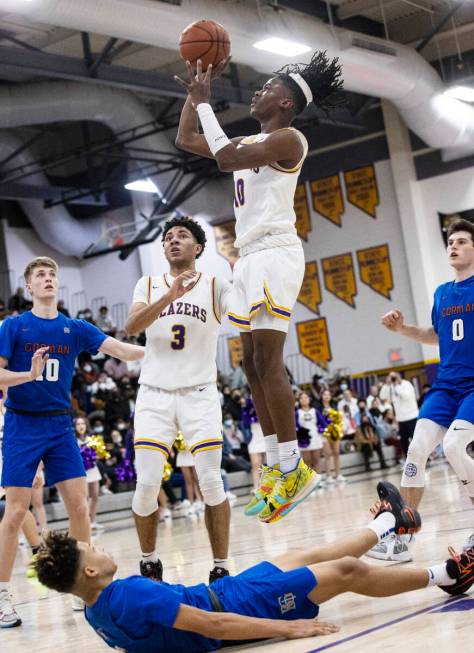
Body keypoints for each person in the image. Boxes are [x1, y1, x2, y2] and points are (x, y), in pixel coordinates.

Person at [175, 51, 344, 523]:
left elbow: (226, 157)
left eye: (267, 87)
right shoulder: (253, 138)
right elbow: (185, 138)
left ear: (287, 102)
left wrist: (207, 103)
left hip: (274, 251)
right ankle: (275, 462)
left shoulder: (290, 138)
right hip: (246, 258)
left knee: (268, 359)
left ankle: (293, 466)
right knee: (249, 362)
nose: (257, 92)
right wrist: (193, 99)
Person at [33, 483, 474, 653]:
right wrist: (287, 629)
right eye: (90, 549)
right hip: (240, 605)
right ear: (91, 572)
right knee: (344, 571)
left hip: (228, 593)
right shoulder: (128, 594)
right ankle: (448, 576)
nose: (98, 546)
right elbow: (212, 624)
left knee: (301, 555)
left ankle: (388, 521)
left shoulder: (96, 612)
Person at [0, 256, 145, 628]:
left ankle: (82, 587)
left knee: (79, 508)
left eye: (52, 275)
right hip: (22, 425)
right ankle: (2, 596)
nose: (48, 279)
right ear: (29, 287)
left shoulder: (74, 328)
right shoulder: (13, 327)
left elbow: (122, 350)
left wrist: (167, 352)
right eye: (40, 276)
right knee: (16, 512)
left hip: (60, 426)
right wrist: (28, 374)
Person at [125, 216, 232, 584]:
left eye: (182, 236)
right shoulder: (149, 283)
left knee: (211, 482)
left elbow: (246, 309)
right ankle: (149, 562)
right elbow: (132, 326)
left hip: (199, 393)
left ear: (198, 247)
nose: (173, 241)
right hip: (154, 394)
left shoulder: (216, 285)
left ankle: (220, 567)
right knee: (148, 483)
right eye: (168, 237)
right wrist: (169, 297)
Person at [368, 218, 474, 562]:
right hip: (446, 385)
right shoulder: (442, 293)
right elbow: (436, 334)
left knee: (456, 444)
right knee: (415, 450)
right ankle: (404, 537)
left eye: (461, 241)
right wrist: (402, 330)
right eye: (450, 242)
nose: (453, 246)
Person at [379, 372, 418, 458]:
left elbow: (406, 396)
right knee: (403, 440)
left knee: (415, 439)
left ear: (399, 376)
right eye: (391, 377)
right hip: (401, 419)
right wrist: (387, 385)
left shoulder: (406, 384)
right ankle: (408, 459)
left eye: (394, 377)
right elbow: (382, 396)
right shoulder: (391, 387)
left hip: (412, 417)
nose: (393, 379)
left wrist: (397, 385)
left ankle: (421, 457)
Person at [74, 417, 104, 531]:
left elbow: (99, 455)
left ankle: (93, 520)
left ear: (86, 425)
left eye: (83, 423)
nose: (81, 426)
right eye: (78, 424)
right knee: (85, 497)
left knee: (95, 495)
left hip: (93, 470)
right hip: (82, 472)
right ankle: (85, 522)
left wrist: (96, 455)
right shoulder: (74, 441)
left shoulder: (92, 439)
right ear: (75, 427)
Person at [296, 391, 323, 473]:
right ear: (299, 400)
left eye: (306, 397)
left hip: (315, 437)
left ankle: (318, 479)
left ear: (309, 399)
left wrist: (320, 429)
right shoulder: (297, 413)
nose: (304, 399)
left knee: (316, 460)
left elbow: (322, 423)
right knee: (307, 461)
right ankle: (310, 481)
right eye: (302, 398)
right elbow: (295, 426)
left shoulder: (315, 411)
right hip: (304, 439)